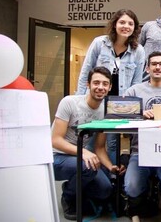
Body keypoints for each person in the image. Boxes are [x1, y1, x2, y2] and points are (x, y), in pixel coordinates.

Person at [52, 67, 125, 221]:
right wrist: (84, 152)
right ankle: (68, 197)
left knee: (105, 190)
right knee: (88, 167)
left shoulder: (105, 111)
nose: (100, 87)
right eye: (96, 83)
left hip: (78, 157)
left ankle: (76, 188)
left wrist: (110, 166)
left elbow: (99, 148)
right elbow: (56, 140)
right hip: (56, 157)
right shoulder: (69, 102)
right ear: (88, 84)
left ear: (110, 87)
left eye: (105, 84)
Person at [76, 9, 145, 164]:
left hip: (118, 105)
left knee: (114, 142)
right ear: (114, 24)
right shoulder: (99, 43)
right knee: (91, 140)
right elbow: (85, 72)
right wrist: (79, 100)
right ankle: (91, 172)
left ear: (135, 28)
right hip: (95, 101)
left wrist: (131, 108)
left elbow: (136, 82)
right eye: (122, 22)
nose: (126, 26)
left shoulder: (138, 50)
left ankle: (112, 175)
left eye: (130, 23)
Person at [123, 52, 161, 218]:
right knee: (131, 187)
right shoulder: (134, 90)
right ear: (147, 68)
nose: (157, 67)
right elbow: (118, 114)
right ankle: (143, 194)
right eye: (153, 64)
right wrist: (139, 113)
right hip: (139, 150)